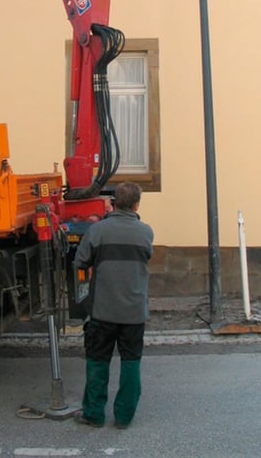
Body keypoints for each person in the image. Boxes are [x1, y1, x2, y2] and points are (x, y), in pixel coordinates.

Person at [73, 181, 154, 429]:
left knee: (97, 362)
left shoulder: (98, 231)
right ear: (137, 204)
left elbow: (80, 262)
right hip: (134, 312)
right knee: (131, 363)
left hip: (102, 311)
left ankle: (94, 414)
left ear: (112, 203)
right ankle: (124, 417)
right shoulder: (146, 232)